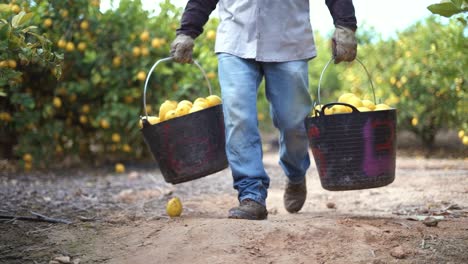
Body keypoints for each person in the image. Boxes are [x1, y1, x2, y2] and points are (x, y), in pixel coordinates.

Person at [170, 0, 357, 220]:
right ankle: (251, 194)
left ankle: (296, 173)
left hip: (289, 41)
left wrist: (345, 25)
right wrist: (187, 31)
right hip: (236, 39)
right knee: (238, 118)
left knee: (294, 123)